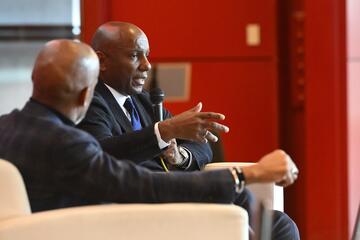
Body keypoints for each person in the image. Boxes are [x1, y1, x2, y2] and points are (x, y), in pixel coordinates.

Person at [0, 39, 299, 239]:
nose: (146, 65)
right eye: (134, 55)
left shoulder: (7, 127)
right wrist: (247, 173)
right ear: (84, 94)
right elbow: (141, 185)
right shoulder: (64, 143)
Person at [78, 21, 214, 172]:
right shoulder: (88, 100)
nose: (147, 65)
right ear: (102, 61)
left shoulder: (145, 100)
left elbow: (201, 144)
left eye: (147, 55)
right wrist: (163, 132)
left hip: (162, 189)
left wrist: (180, 156)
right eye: (134, 55)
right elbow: (102, 155)